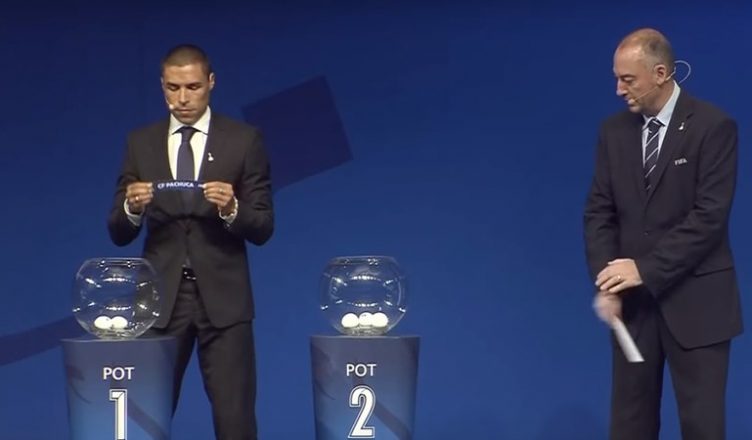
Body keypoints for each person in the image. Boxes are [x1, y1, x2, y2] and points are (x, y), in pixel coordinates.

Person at [107, 44, 273, 439]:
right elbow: (118, 231)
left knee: (235, 423)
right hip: (159, 303)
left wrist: (232, 208)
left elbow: (263, 227)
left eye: (193, 87)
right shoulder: (140, 143)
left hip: (225, 304)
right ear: (162, 86)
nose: (182, 98)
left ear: (211, 83)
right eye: (173, 88)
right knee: (142, 420)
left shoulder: (243, 140)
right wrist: (131, 207)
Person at [584, 28, 742, 440]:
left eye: (628, 79)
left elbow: (709, 217)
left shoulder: (714, 127)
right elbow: (599, 212)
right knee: (629, 427)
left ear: (660, 73)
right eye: (616, 79)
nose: (619, 90)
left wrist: (645, 269)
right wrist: (607, 281)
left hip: (700, 306)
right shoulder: (613, 132)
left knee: (702, 428)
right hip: (635, 311)